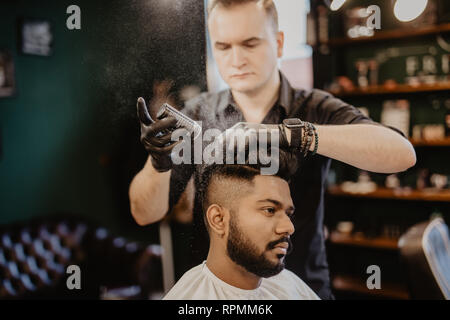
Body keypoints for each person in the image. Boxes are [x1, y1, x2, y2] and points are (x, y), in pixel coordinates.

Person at [129, 0, 416, 299]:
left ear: (278, 43)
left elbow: (402, 154)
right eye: (224, 47)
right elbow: (144, 213)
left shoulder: (314, 108)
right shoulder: (198, 116)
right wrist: (158, 163)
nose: (236, 59)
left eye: (250, 44)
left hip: (301, 288)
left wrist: (294, 135)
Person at [163, 157, 320, 300]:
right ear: (218, 219)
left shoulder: (288, 285)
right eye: (270, 210)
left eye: (288, 214)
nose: (289, 227)